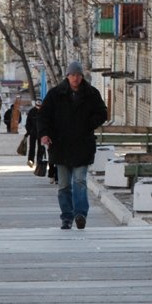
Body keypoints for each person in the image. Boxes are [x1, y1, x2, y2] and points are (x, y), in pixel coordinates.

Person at [39, 60, 107, 229]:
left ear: (82, 76)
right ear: (67, 76)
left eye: (78, 75)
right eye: (72, 75)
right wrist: (44, 134)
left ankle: (80, 214)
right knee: (64, 185)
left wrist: (88, 124)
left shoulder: (91, 94)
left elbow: (102, 112)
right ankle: (67, 217)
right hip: (60, 146)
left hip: (82, 145)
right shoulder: (56, 94)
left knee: (79, 181)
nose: (75, 78)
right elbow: (44, 116)